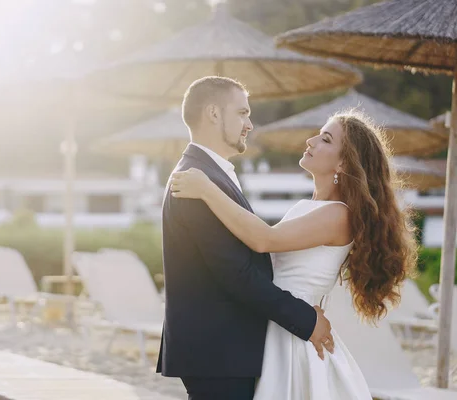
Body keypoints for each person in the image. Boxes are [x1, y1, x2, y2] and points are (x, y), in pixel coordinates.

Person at [169, 102, 418, 399]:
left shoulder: (339, 214)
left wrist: (208, 189)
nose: (311, 141)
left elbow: (263, 240)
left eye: (326, 139)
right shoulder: (312, 207)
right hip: (281, 323)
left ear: (343, 164)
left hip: (293, 335)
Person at [156, 76, 336, 400]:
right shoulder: (195, 180)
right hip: (218, 351)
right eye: (242, 113)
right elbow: (236, 273)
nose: (250, 124)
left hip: (225, 350)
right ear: (213, 113)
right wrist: (306, 320)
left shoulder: (208, 175)